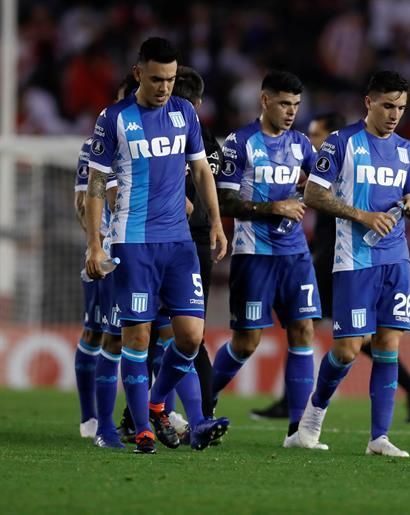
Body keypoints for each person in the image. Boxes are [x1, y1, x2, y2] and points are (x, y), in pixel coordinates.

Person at [84, 37, 229, 454]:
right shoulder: (113, 118)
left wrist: (217, 222)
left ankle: (157, 401)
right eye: (156, 79)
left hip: (180, 243)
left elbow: (201, 171)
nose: (164, 87)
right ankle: (144, 428)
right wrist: (96, 245)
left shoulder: (185, 113)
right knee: (137, 339)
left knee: (189, 336)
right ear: (137, 74)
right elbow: (96, 185)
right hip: (133, 242)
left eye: (170, 78)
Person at [250, 112, 410, 425]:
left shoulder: (347, 155)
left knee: (321, 327)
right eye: (309, 136)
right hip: (333, 256)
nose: (311, 142)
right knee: (342, 334)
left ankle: (297, 404)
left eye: (316, 135)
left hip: (337, 258)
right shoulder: (325, 166)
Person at [296, 71, 410, 457]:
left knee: (387, 344)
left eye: (400, 107)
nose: (394, 114)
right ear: (369, 102)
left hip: (396, 259)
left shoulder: (406, 150)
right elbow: (313, 194)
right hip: (354, 260)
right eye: (387, 105)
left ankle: (379, 438)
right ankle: (313, 415)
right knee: (349, 349)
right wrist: (361, 216)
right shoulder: (341, 142)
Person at [211, 70, 323, 449]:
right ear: (265, 101)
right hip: (254, 253)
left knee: (304, 331)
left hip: (295, 254)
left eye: (296, 105)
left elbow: (323, 185)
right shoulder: (239, 144)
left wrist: (317, 190)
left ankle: (297, 431)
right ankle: (203, 400)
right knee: (246, 343)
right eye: (283, 103)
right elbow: (225, 202)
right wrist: (274, 206)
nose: (291, 112)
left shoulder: (302, 144)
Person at [73, 77, 133, 442]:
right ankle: (91, 419)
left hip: (143, 251)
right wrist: (96, 244)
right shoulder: (95, 145)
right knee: (99, 332)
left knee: (139, 336)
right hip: (108, 255)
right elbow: (83, 203)